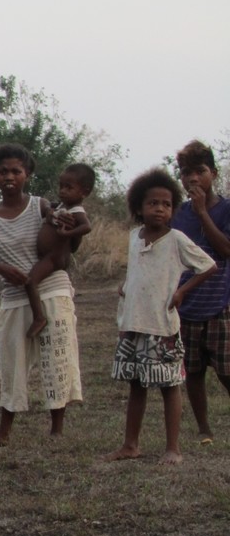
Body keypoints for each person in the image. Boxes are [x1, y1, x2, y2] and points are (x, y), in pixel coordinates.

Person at [0, 143, 83, 446]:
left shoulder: (39, 205)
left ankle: (56, 429)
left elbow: (64, 235)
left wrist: (65, 223)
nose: (9, 177)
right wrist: (2, 269)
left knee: (56, 358)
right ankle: (4, 432)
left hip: (52, 289)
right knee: (11, 365)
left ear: (27, 174)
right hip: (14, 295)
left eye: (16, 171)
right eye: (3, 171)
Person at [105, 170, 216, 465]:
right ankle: (130, 445)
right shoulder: (134, 237)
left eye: (166, 204)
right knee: (136, 384)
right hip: (133, 323)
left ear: (173, 209)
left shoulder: (176, 239)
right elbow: (139, 271)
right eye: (153, 203)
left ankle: (173, 448)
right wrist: (126, 286)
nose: (160, 209)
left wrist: (182, 292)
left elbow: (208, 266)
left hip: (162, 326)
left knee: (169, 386)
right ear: (139, 207)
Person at [173, 140, 230, 445]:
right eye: (186, 172)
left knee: (226, 370)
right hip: (186, 304)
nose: (193, 178)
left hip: (220, 303)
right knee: (193, 371)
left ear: (214, 174)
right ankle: (204, 429)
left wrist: (202, 213)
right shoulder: (176, 214)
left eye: (200, 171)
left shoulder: (226, 209)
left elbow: (226, 250)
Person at [25, 163, 95, 338]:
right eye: (61, 186)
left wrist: (68, 233)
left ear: (84, 192)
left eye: (69, 188)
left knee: (30, 281)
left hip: (54, 257)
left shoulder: (77, 211)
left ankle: (39, 318)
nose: (63, 191)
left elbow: (87, 227)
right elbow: (47, 208)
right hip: (49, 255)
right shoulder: (60, 206)